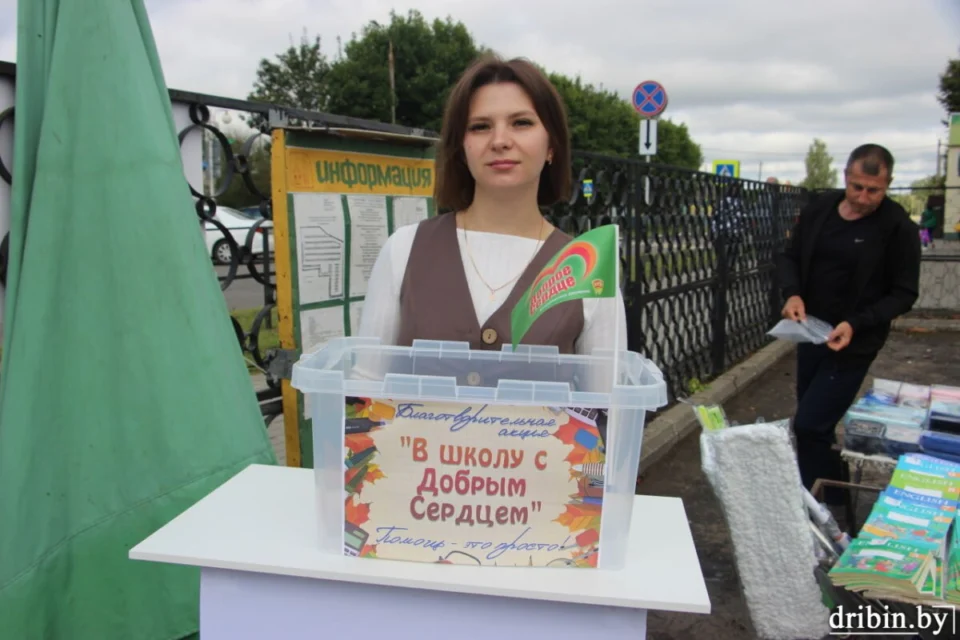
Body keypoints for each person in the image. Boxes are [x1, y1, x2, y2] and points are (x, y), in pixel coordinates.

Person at [357, 55, 627, 356]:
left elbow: (606, 387)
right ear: (462, 148)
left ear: (552, 145)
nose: (499, 141)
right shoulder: (403, 250)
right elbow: (367, 378)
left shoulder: (589, 272)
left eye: (521, 123)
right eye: (480, 126)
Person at [776, 143, 921, 513]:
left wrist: (857, 323)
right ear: (846, 177)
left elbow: (904, 293)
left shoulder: (897, 228)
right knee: (816, 428)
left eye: (874, 190)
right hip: (811, 333)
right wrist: (792, 294)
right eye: (857, 187)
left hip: (855, 342)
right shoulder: (820, 209)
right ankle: (835, 503)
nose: (863, 198)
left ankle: (812, 508)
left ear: (888, 185)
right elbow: (790, 257)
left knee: (809, 424)